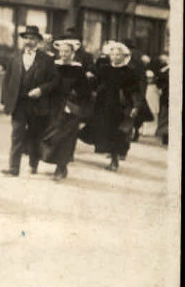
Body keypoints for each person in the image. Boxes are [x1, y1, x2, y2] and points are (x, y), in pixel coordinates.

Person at [0, 24, 60, 177]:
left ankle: (33, 164)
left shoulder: (46, 59)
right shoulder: (14, 57)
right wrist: (5, 101)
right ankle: (13, 168)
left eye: (32, 38)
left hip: (37, 104)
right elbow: (7, 80)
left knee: (35, 135)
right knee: (17, 134)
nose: (29, 41)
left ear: (38, 41)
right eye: (26, 38)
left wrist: (41, 90)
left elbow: (55, 80)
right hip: (18, 103)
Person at [81, 41, 145, 172]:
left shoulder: (129, 72)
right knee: (105, 130)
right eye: (113, 55)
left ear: (124, 56)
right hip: (104, 105)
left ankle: (115, 160)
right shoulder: (104, 69)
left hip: (120, 106)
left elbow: (135, 91)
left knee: (118, 133)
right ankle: (110, 154)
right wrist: (90, 78)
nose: (115, 57)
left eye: (118, 55)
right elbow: (95, 82)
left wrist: (135, 107)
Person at [39, 37, 93, 181]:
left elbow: (86, 92)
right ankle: (51, 163)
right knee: (52, 136)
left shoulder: (78, 69)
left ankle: (61, 167)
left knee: (66, 139)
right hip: (53, 107)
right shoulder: (53, 66)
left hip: (70, 108)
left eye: (66, 52)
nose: (63, 54)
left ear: (72, 53)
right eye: (61, 51)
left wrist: (76, 104)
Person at [153, 52, 170, 146]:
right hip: (166, 96)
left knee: (165, 116)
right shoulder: (165, 70)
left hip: (167, 96)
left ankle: (165, 135)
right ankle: (164, 135)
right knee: (164, 116)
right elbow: (159, 77)